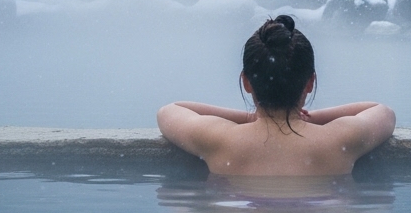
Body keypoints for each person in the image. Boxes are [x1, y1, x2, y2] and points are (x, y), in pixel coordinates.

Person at [157, 15, 396, 176]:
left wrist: (252, 118)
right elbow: (382, 111)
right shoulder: (338, 140)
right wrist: (308, 119)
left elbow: (170, 110)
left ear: (246, 82)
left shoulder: (221, 140)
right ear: (310, 82)